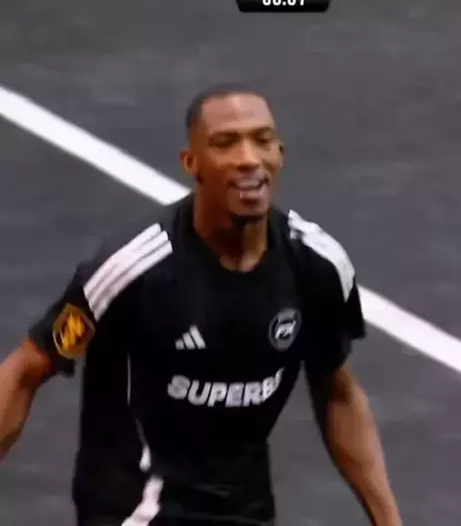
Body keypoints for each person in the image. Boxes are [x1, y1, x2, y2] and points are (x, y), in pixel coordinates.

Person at [0, 85, 402, 526]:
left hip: (244, 509)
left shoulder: (316, 266)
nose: (248, 159)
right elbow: (27, 369)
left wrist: (388, 520)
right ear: (191, 163)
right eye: (226, 143)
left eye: (262, 140)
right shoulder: (132, 270)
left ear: (280, 154)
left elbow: (337, 391)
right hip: (135, 508)